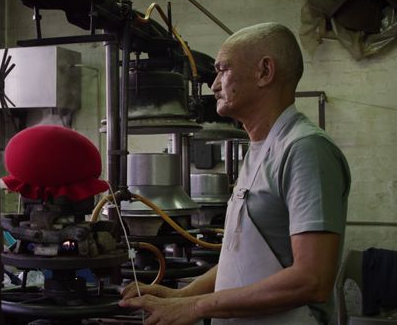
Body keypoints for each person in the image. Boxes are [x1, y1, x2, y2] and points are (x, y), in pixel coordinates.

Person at [119, 23, 351, 325]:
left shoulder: (304, 149)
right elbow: (241, 261)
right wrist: (182, 295)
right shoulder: (261, 149)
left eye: (222, 70)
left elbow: (312, 279)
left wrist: (197, 307)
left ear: (264, 72)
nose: (214, 84)